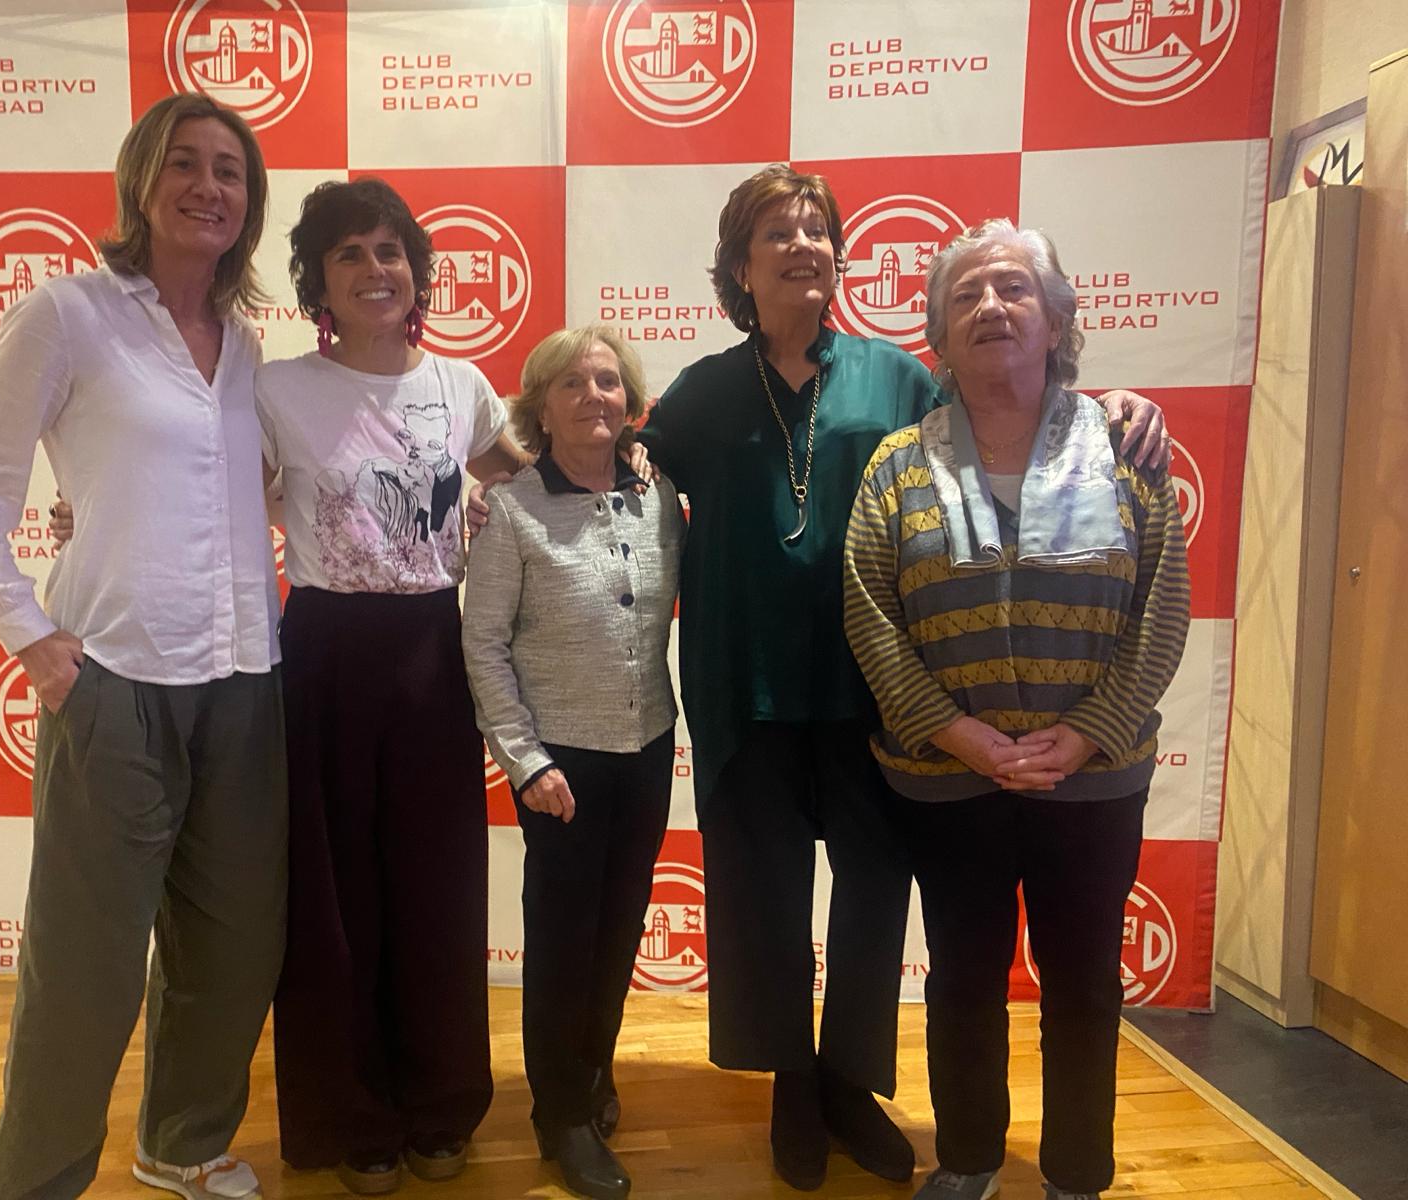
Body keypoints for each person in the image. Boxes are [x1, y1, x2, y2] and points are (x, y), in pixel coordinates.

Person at [471, 164, 1169, 1192]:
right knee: (762, 903)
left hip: (882, 695)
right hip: (742, 689)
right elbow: (599, 454)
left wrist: (1112, 402)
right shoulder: (705, 391)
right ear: (739, 268)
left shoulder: (896, 378)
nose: (801, 245)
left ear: (839, 257)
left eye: (815, 229)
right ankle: (791, 1090)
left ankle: (849, 1085)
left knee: (875, 899)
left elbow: (1009, 401)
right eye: (774, 233)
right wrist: (491, 490)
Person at [0, 94, 284, 1200]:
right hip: (116, 682)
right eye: (185, 163)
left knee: (230, 955)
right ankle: (36, 1182)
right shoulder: (67, 315)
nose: (208, 187)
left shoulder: (248, 346)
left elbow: (246, 494)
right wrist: (30, 637)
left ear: (250, 201)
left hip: (245, 680)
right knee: (83, 969)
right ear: (140, 180)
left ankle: (179, 1145)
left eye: (230, 170)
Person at [843, 218, 1190, 1200]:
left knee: (1082, 984)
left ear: (1056, 321)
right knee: (961, 981)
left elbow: (1160, 613)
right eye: (967, 297)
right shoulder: (895, 467)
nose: (992, 308)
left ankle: (1077, 1171)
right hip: (948, 783)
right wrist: (962, 736)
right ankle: (967, 1160)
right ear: (938, 342)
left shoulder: (1127, 453)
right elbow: (870, 618)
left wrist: (1083, 735)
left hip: (1093, 782)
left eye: (1013, 291)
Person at [259, 178, 532, 1197]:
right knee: (333, 901)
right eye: (348, 254)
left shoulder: (460, 388)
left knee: (437, 893)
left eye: (389, 251)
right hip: (324, 651)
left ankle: (440, 1105)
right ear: (316, 284)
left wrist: (643, 486)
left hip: (431, 651)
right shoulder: (276, 390)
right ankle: (352, 1116)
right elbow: (212, 496)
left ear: (416, 271)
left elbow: (529, 482)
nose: (375, 269)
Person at [461, 327, 685, 1200]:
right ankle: (558, 1115)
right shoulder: (514, 509)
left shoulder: (659, 497)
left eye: (608, 381)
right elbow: (483, 645)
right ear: (540, 406)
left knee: (619, 931)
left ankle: (592, 1075)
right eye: (572, 384)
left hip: (647, 751)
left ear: (630, 402)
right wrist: (524, 760)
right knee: (562, 944)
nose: (594, 395)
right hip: (560, 767)